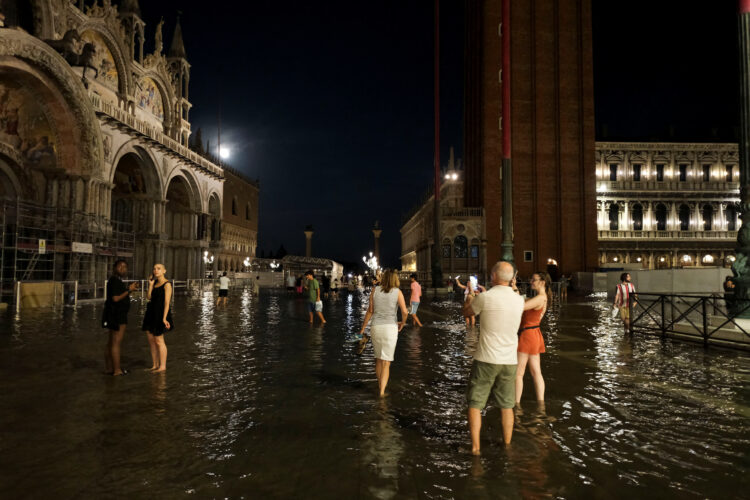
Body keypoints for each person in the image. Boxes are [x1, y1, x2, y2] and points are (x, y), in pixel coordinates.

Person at [463, 261, 524, 453]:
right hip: (509, 361)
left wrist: (470, 297)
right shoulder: (519, 300)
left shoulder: (486, 298)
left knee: (475, 404)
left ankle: (475, 448)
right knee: (507, 405)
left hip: (486, 359)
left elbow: (466, 312)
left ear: (494, 276)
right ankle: (507, 445)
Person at [358, 269, 410, 397]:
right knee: (386, 362)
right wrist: (402, 323)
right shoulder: (398, 292)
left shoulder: (375, 291)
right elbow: (405, 312)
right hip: (390, 328)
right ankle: (382, 392)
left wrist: (363, 328)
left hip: (376, 327)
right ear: (395, 279)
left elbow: (370, 311)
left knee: (378, 360)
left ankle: (379, 385)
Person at [516, 272, 550, 404]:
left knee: (518, 373)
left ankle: (516, 405)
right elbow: (523, 302)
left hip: (528, 335)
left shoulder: (540, 298)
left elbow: (521, 306)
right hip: (534, 334)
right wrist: (515, 290)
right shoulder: (541, 297)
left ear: (542, 282)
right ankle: (541, 403)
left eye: (533, 279)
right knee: (536, 372)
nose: (531, 281)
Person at [102, 259, 139, 376]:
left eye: (125, 267)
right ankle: (117, 370)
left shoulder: (116, 281)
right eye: (120, 266)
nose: (123, 269)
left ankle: (109, 368)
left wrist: (128, 290)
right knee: (116, 343)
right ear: (114, 268)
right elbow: (116, 298)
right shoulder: (115, 281)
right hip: (118, 315)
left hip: (113, 314)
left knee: (111, 342)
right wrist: (129, 290)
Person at [142, 263, 173, 372]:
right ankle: (155, 365)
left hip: (160, 314)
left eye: (159, 269)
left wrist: (164, 318)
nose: (156, 270)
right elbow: (149, 297)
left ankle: (162, 366)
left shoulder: (167, 284)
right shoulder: (154, 283)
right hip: (150, 312)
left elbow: (167, 303)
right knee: (151, 341)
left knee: (159, 341)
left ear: (164, 271)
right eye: (154, 268)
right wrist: (150, 285)